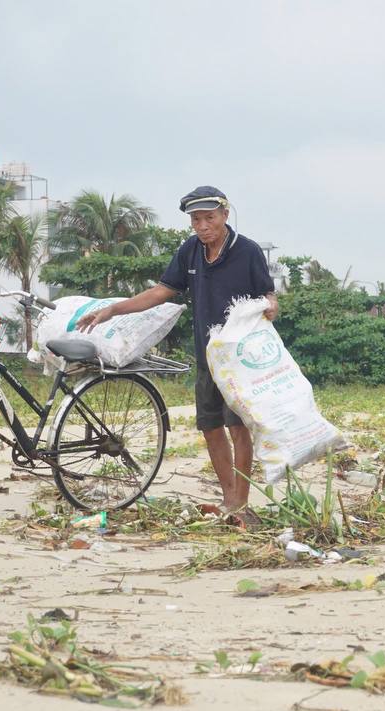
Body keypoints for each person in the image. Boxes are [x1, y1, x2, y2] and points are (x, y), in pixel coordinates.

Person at [75, 186, 278, 520]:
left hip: (240, 360)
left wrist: (271, 306)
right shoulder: (190, 252)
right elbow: (160, 292)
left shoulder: (248, 251)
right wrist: (113, 310)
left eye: (208, 218)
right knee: (211, 427)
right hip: (207, 356)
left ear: (225, 215)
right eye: (195, 220)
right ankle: (229, 499)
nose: (201, 226)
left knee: (237, 428)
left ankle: (241, 503)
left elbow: (269, 296)